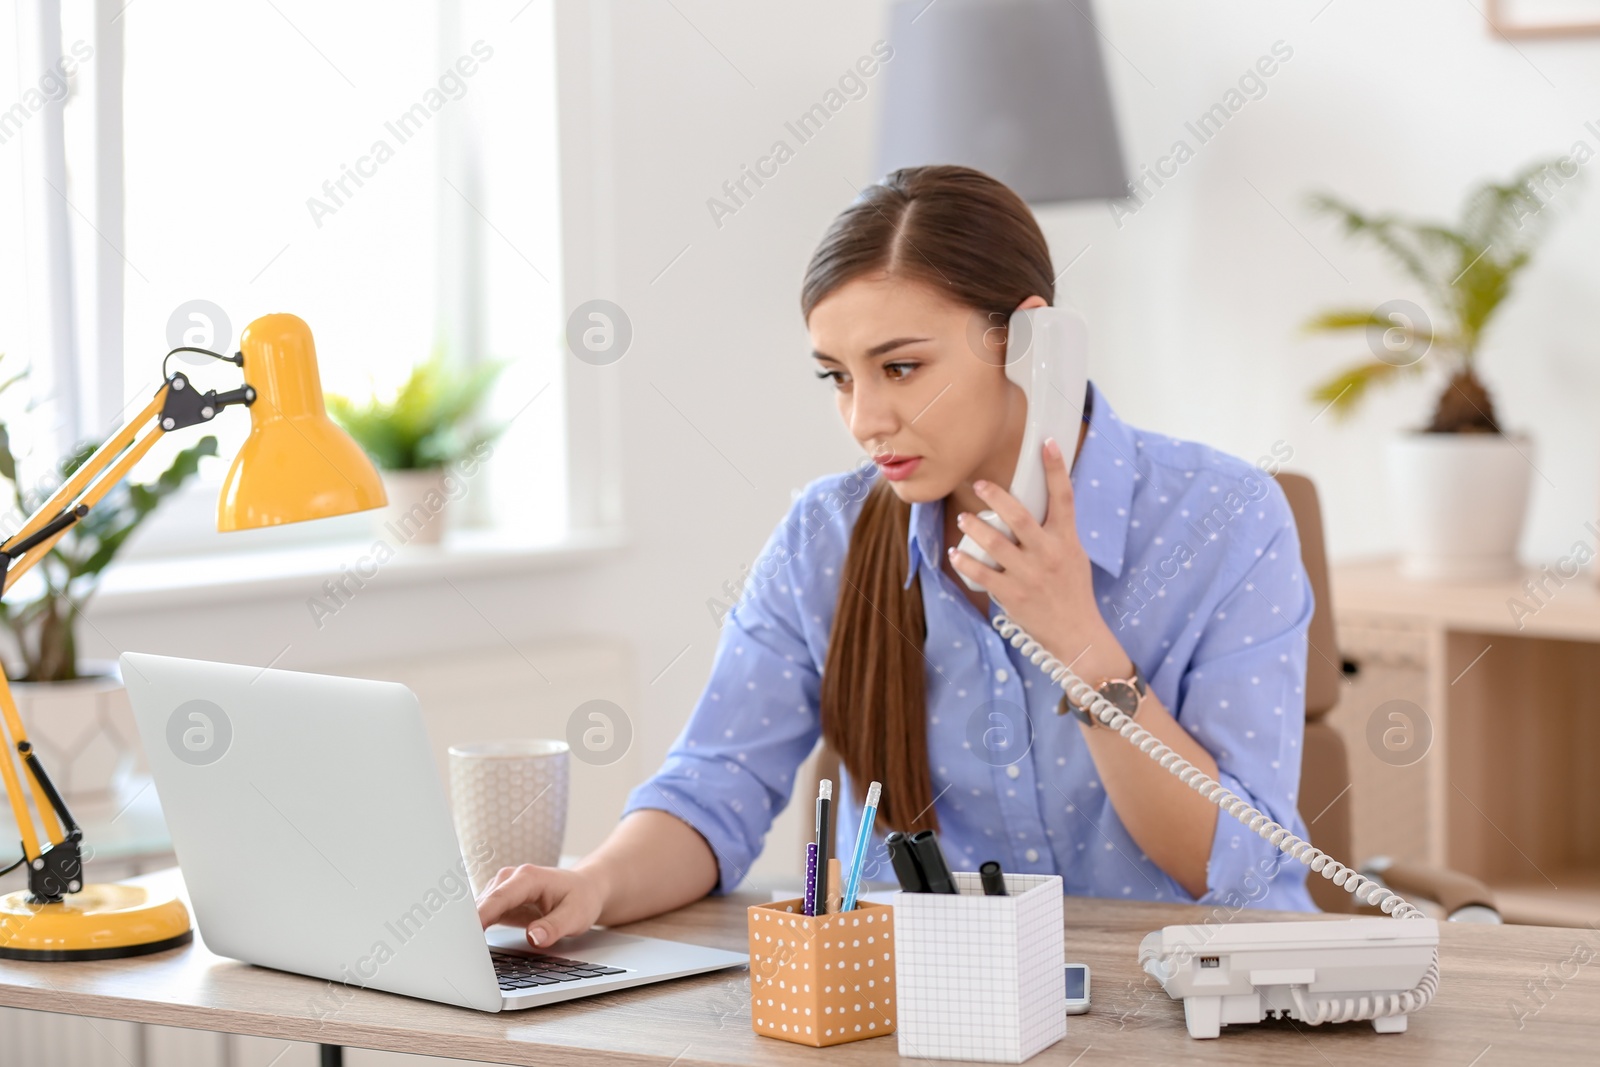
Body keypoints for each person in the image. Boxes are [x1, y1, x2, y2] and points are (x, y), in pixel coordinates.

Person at [477, 164, 1317, 948]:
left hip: (1197, 1000)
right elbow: (715, 791)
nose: (865, 419)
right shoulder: (826, 537)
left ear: (1030, 345)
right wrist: (592, 883)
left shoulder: (1226, 519)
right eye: (837, 376)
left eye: (902, 367)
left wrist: (1079, 643)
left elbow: (1230, 868)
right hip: (943, 1006)